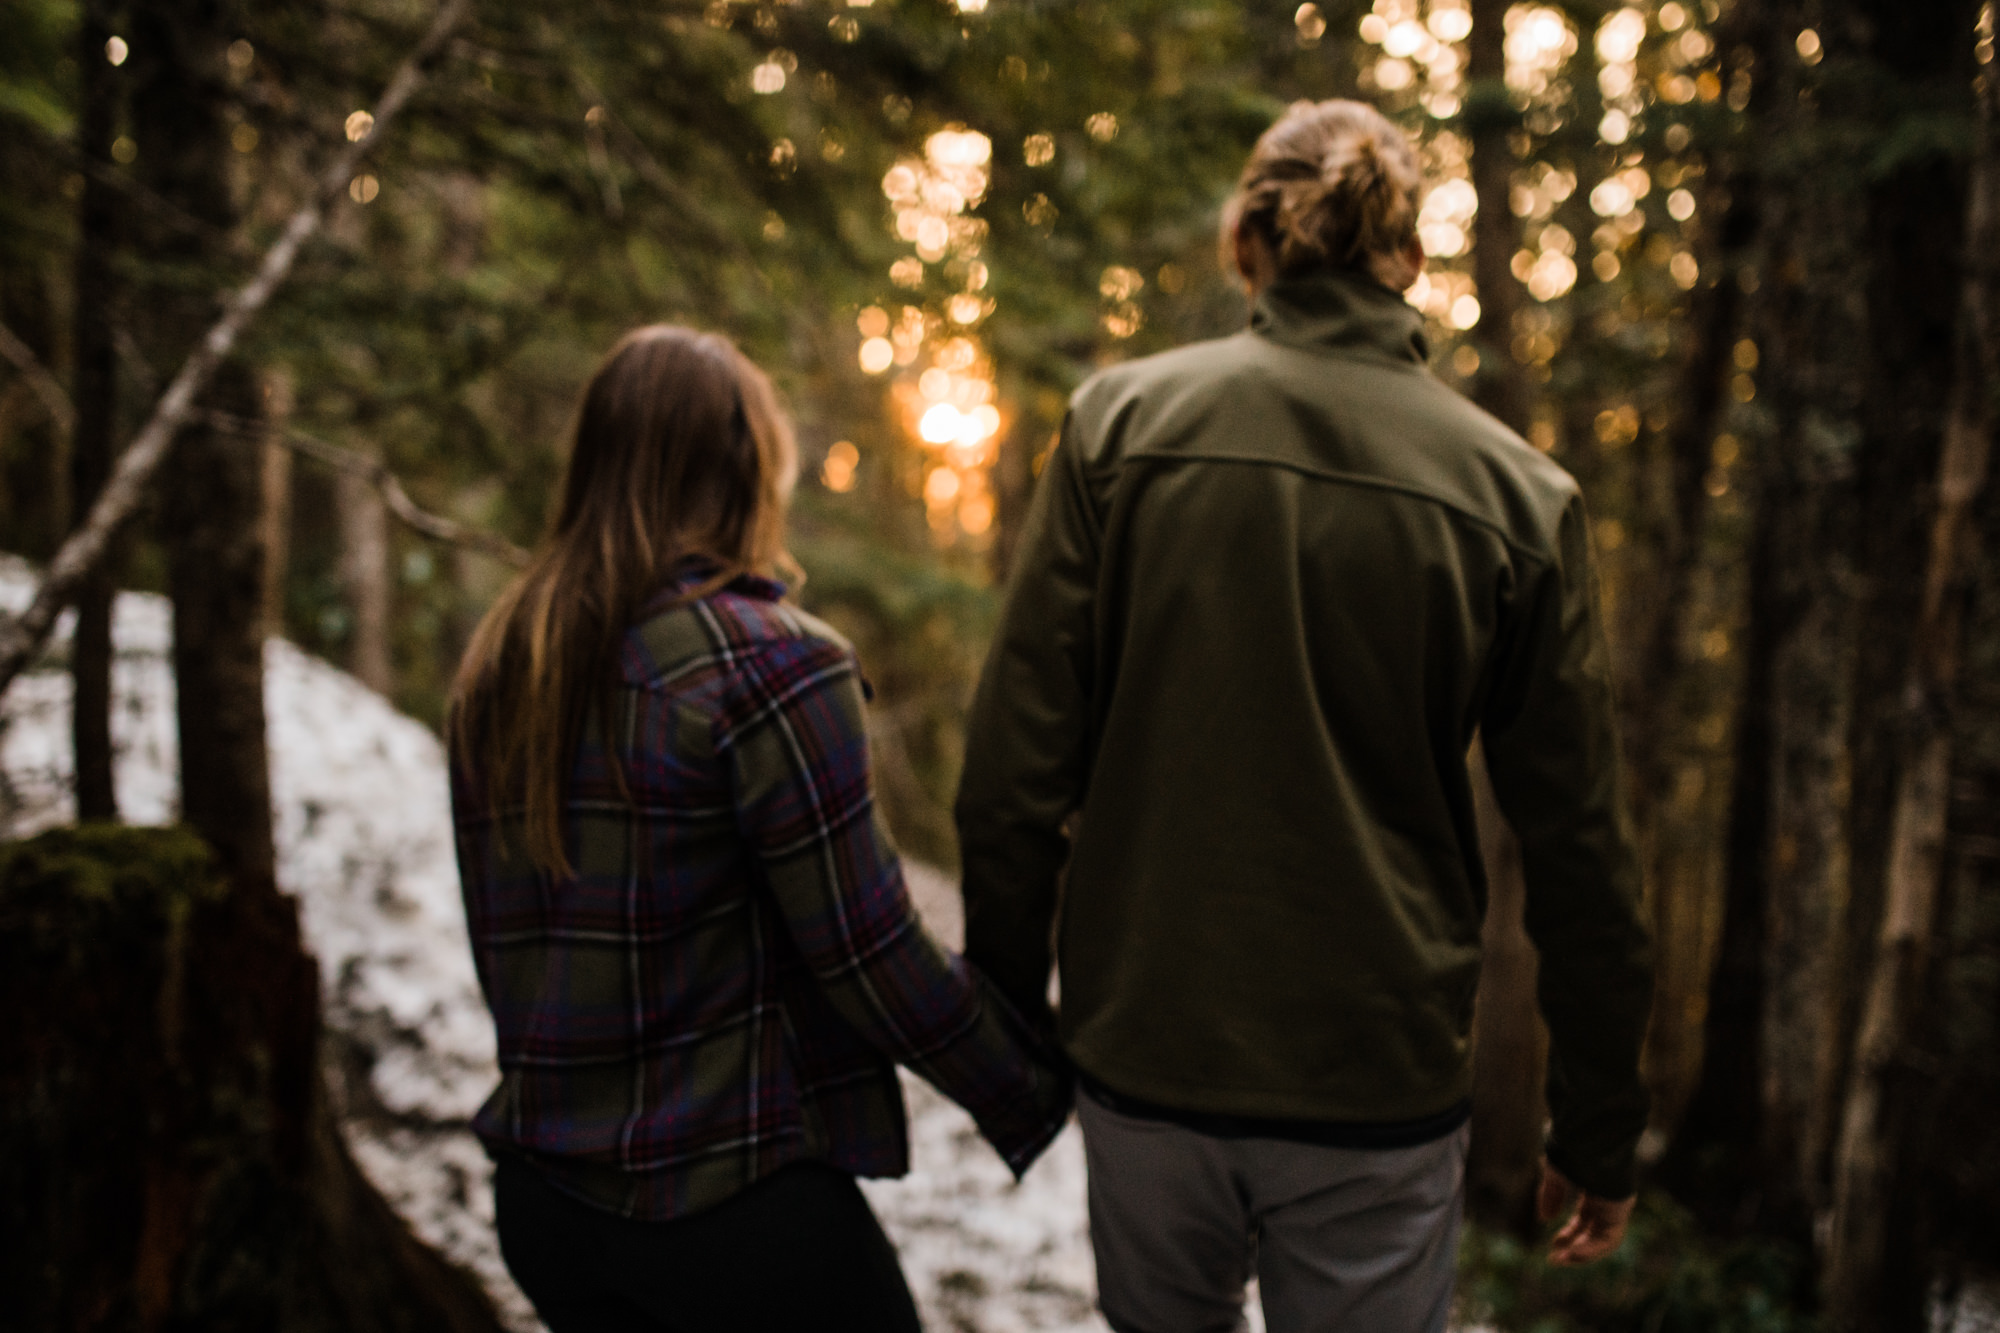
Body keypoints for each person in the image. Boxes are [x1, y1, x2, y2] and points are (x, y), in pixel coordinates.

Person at [955, 99, 1654, 1333]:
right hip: (1372, 1077)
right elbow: (1578, 852)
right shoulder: (1517, 495)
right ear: (1411, 262)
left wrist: (1014, 1023)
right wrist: (1596, 1121)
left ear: (1246, 243)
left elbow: (1014, 777)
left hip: (1148, 1056)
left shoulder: (1119, 429)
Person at [447, 326, 1071, 1333]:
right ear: (747, 466)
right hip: (723, 1208)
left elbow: (511, 950)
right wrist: (1031, 1077)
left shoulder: (505, 658)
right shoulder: (773, 665)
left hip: (546, 1208)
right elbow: (867, 951)